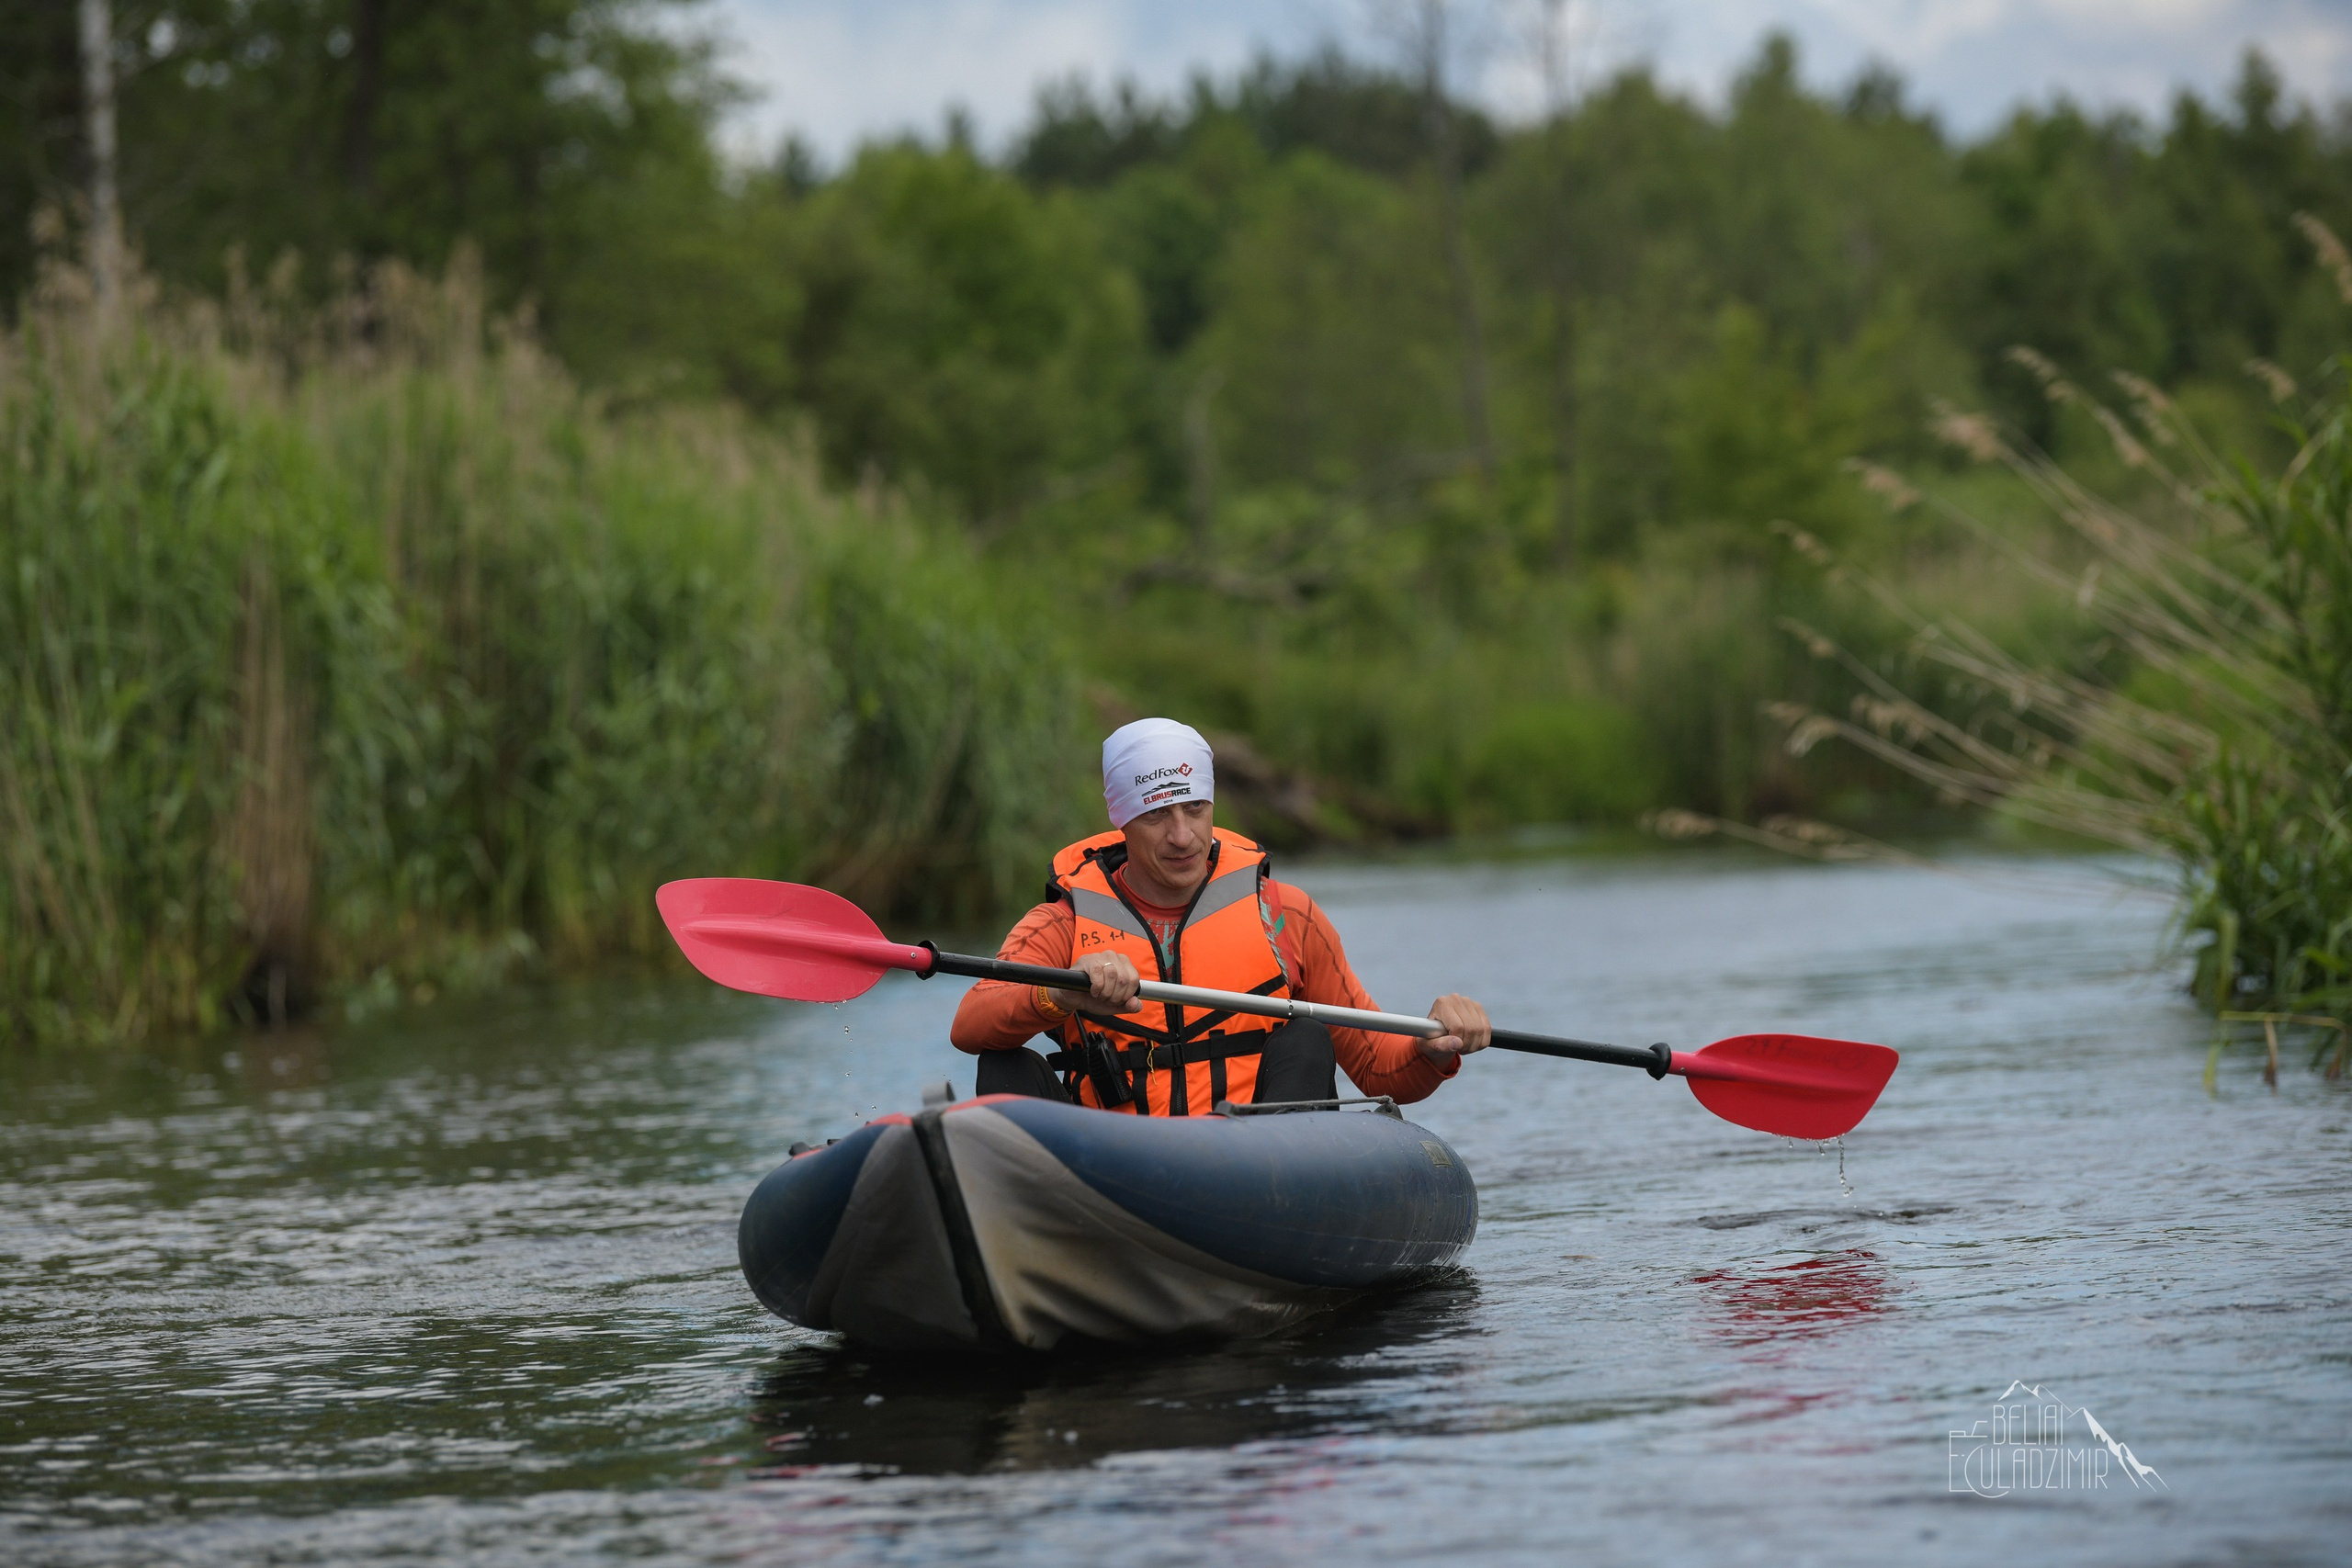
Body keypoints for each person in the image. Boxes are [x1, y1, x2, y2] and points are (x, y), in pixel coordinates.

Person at [951, 716, 1491, 1113]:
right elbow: (970, 1023)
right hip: (1110, 1165)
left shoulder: (1287, 915)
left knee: (1306, 1039)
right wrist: (1060, 994)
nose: (1182, 836)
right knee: (1003, 1061)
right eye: (1157, 815)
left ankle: (1279, 1205)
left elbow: (1377, 1068)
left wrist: (1431, 1046)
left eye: (1195, 809)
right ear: (1123, 822)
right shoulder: (1064, 923)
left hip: (1259, 1163)